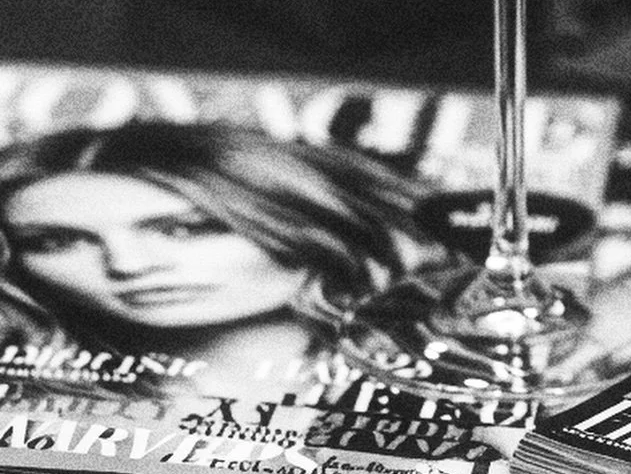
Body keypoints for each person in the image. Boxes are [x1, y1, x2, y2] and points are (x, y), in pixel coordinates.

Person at [0, 118, 436, 398]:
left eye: (187, 229)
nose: (129, 265)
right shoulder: (30, 402)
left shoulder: (455, 382)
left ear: (315, 226)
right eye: (57, 242)